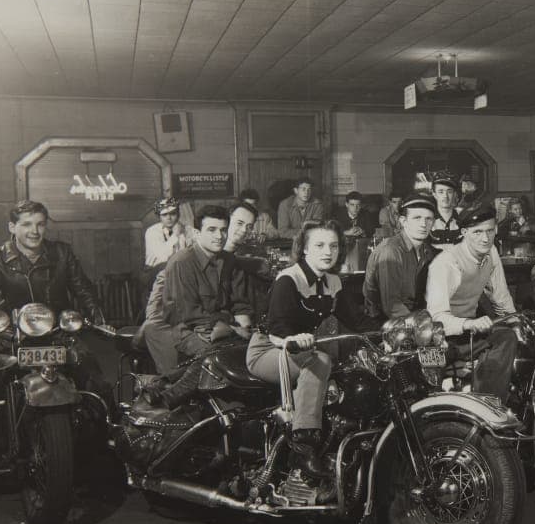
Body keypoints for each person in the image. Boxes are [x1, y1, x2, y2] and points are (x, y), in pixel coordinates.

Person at [0, 200, 109, 411]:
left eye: (40, 224)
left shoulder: (62, 253)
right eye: (27, 224)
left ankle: (106, 426)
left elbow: (83, 289)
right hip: (15, 335)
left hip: (57, 332)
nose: (34, 231)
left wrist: (100, 320)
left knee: (90, 369)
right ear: (12, 227)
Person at [245, 220, 344, 476]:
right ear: (305, 250)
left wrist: (396, 327)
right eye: (319, 245)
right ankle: (304, 446)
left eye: (333, 245)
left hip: (302, 349)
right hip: (269, 349)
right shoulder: (289, 279)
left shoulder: (333, 282)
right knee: (320, 361)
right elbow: (277, 327)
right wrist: (295, 339)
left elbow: (358, 320)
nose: (328, 251)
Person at [140, 205, 253, 394]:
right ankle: (168, 393)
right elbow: (190, 315)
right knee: (219, 357)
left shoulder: (229, 261)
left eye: (223, 230)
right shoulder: (181, 262)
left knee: (254, 353)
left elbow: (239, 302)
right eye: (212, 230)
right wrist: (232, 329)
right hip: (187, 329)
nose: (219, 236)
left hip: (221, 326)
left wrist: (245, 323)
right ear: (196, 232)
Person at [426, 205, 519, 399]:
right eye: (477, 232)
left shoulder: (491, 252)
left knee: (509, 336)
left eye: (490, 231)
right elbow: (437, 317)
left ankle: (491, 397)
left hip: (470, 332)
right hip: (442, 339)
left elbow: (500, 296)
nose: (485, 238)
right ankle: (482, 403)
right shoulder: (447, 263)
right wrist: (469, 324)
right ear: (464, 232)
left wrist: (516, 321)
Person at [363, 194, 437, 323]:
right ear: (403, 221)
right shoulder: (391, 251)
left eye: (428, 219)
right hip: (382, 324)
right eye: (417, 218)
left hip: (412, 318)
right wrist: (422, 326)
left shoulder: (427, 251)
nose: (423, 224)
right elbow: (392, 306)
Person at [143, 197, 191, 268]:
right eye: (164, 215)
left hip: (180, 269)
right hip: (156, 270)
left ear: (178, 215)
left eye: (172, 214)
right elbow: (162, 257)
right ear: (159, 216)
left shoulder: (186, 229)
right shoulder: (152, 231)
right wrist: (175, 235)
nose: (169, 218)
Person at [427, 171, 463, 251]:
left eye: (449, 191)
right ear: (434, 194)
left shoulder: (463, 219)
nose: (445, 196)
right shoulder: (427, 219)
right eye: (441, 192)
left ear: (454, 194)